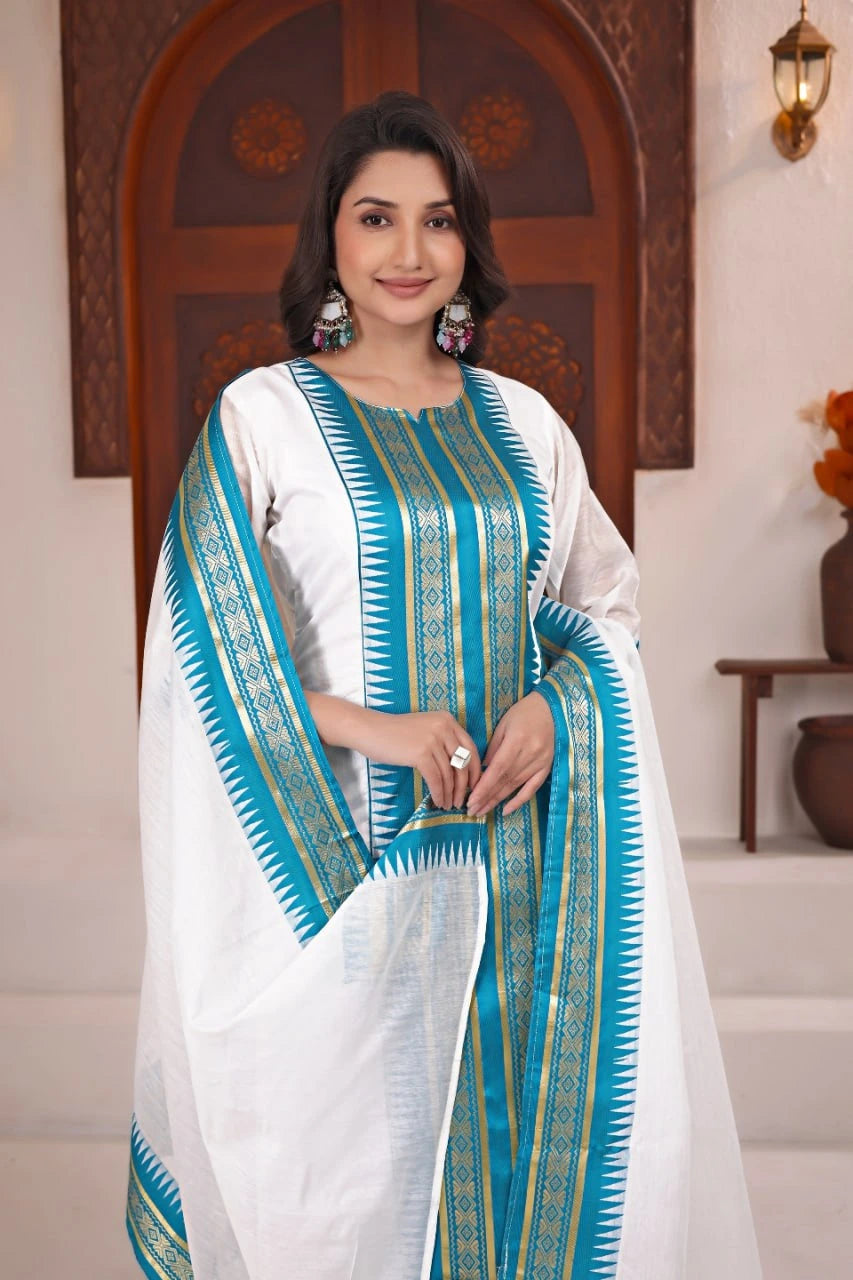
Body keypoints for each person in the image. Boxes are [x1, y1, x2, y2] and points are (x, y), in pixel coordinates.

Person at [125, 90, 761, 1280]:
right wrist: (382, 726)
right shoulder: (264, 418)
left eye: (437, 220)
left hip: (534, 876)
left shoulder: (525, 425)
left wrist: (554, 706)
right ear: (331, 238)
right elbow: (200, 650)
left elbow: (603, 605)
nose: (408, 253)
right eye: (376, 219)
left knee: (522, 1178)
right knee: (359, 1188)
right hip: (343, 877)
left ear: (469, 242)